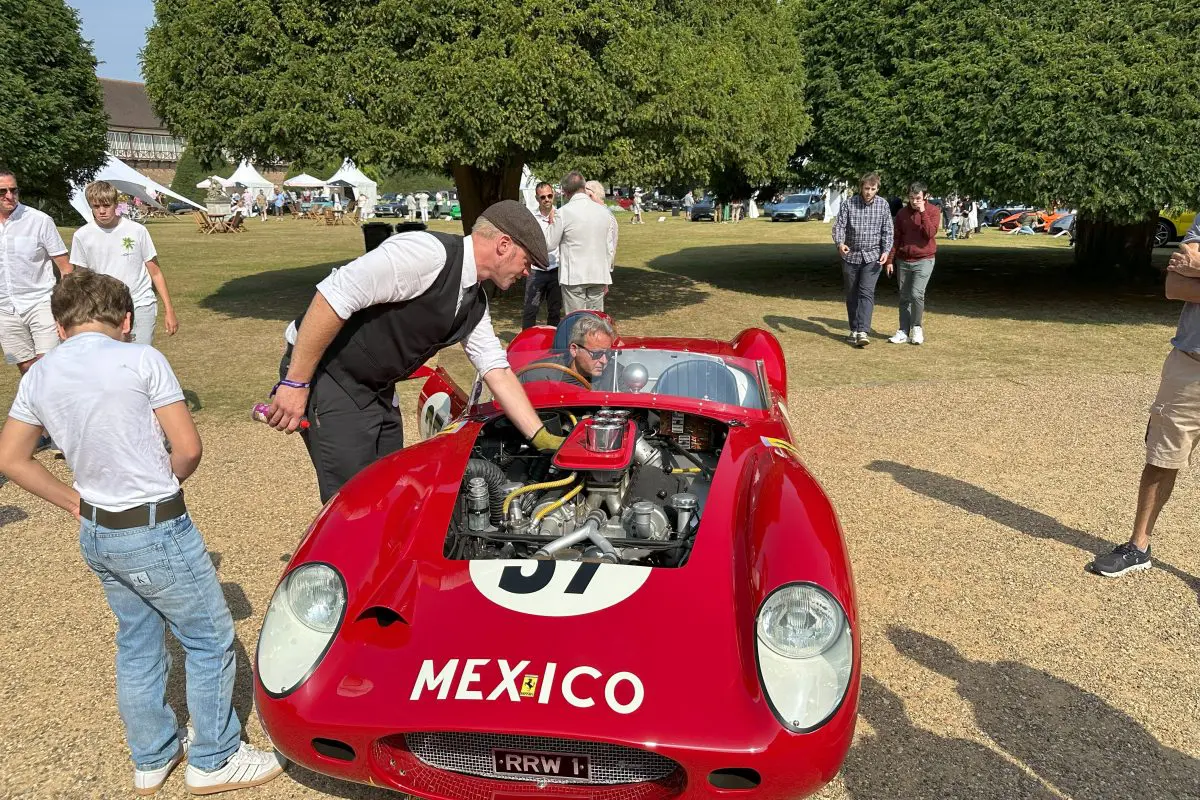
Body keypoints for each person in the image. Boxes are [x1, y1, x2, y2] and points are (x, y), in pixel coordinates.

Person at [0, 269, 284, 795]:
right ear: (126, 319)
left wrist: (75, 503)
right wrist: (163, 483)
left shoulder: (38, 375)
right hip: (154, 525)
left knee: (137, 641)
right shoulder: (141, 358)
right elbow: (189, 446)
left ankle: (152, 754)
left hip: (99, 533)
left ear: (61, 327)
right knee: (209, 638)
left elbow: (11, 458)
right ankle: (215, 757)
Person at [266, 200, 565, 502]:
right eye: (526, 261)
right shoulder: (426, 254)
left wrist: (539, 436)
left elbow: (495, 369)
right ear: (503, 245)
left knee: (388, 487)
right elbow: (333, 296)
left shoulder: (474, 302)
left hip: (376, 387)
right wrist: (296, 382)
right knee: (352, 501)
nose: (527, 273)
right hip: (331, 375)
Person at [1090, 218, 1200, 576]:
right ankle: (1139, 547)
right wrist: (1190, 270)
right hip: (1190, 364)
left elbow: (1192, 271)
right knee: (1161, 458)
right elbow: (1174, 285)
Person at [69, 180, 180, 346]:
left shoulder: (137, 231)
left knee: (139, 358)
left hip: (141, 303)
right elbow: (81, 280)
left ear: (116, 204)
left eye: (106, 205)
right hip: (105, 309)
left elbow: (155, 272)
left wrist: (169, 311)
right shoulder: (82, 236)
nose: (102, 211)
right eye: (96, 207)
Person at [0, 167, 72, 374]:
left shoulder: (39, 221)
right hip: (5, 308)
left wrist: (64, 308)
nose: (9, 196)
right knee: (25, 365)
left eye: (13, 190)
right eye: (2, 191)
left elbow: (65, 268)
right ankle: (36, 405)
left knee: (49, 364)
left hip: (40, 302)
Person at [832, 172, 894, 347]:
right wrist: (840, 243)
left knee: (866, 292)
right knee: (852, 293)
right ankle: (854, 328)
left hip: (873, 257)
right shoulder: (848, 204)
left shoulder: (883, 205)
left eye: (873, 189)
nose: (869, 192)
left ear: (877, 189)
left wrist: (886, 251)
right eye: (866, 188)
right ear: (861, 187)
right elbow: (839, 226)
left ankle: (862, 331)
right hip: (851, 256)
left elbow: (888, 231)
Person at [544, 172, 618, 314]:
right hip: (598, 274)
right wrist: (607, 271)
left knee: (576, 321)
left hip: (574, 276)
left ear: (565, 192)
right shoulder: (604, 212)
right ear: (584, 187)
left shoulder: (563, 213)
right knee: (596, 323)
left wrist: (551, 223)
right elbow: (609, 247)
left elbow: (549, 244)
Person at [887, 182, 940, 346]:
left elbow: (930, 233)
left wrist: (922, 212)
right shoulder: (902, 213)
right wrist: (890, 260)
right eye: (911, 198)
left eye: (918, 198)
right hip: (903, 259)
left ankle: (917, 327)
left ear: (925, 197)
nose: (914, 201)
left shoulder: (933, 211)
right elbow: (896, 238)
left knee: (917, 294)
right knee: (904, 296)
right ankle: (903, 330)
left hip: (924, 259)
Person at [518, 314, 616, 388]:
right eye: (597, 354)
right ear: (574, 350)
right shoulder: (538, 375)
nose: (604, 361)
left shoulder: (616, 374)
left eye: (608, 353)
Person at [524, 182, 563, 329]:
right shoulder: (531, 218)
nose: (547, 199)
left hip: (556, 268)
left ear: (553, 195)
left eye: (549, 196)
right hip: (536, 269)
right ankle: (526, 342)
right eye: (543, 197)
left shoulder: (561, 215)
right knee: (530, 309)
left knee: (554, 310)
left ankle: (553, 342)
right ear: (537, 198)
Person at [585, 180, 619, 274]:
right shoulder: (599, 214)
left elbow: (610, 248)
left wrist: (606, 273)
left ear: (591, 195)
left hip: (598, 271)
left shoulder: (605, 216)